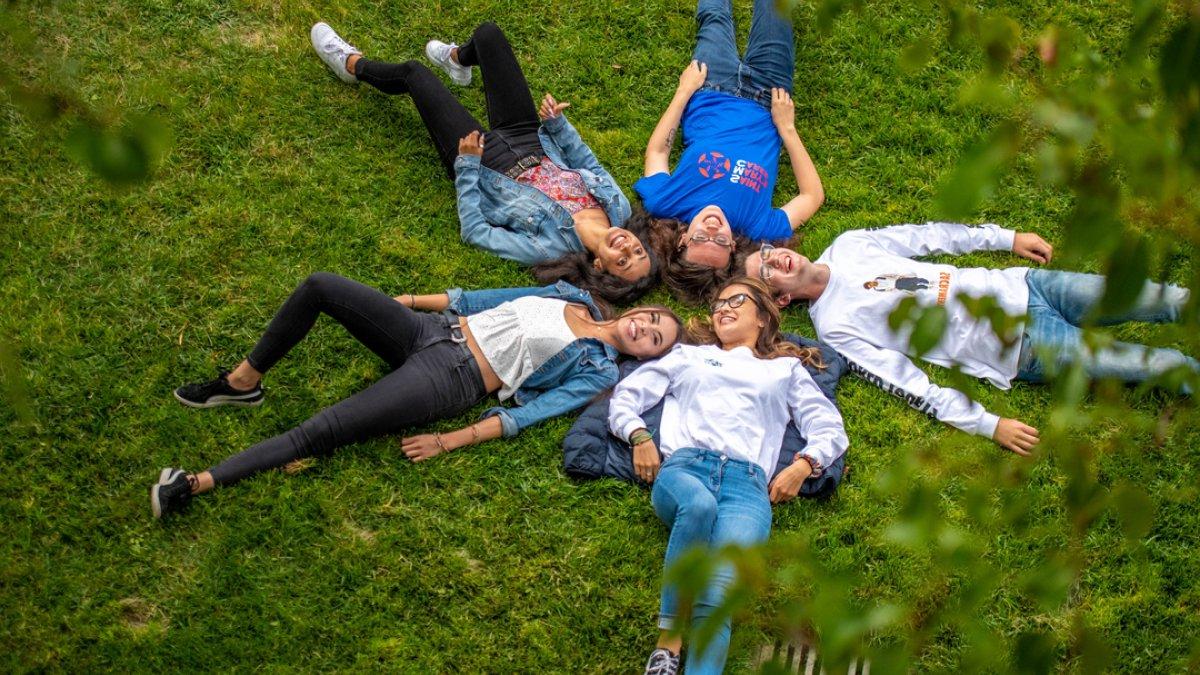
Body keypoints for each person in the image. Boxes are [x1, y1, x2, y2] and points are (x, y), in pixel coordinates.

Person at [151, 273, 681, 518]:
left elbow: (532, 413)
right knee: (322, 287)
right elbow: (475, 298)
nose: (647, 329)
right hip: (431, 330)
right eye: (652, 319)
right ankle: (243, 383)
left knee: (325, 429)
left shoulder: (596, 370)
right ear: (636, 311)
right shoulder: (571, 293)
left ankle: (195, 484)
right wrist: (398, 304)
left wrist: (450, 441)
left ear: (648, 355)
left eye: (657, 339)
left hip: (454, 379)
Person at [743, 221, 1198, 455]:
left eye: (766, 253)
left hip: (1026, 285)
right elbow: (907, 383)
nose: (773, 260)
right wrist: (987, 423)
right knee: (1154, 364)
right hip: (1022, 347)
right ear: (780, 301)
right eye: (765, 273)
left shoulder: (847, 245)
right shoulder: (835, 329)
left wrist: (1005, 237)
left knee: (1165, 297)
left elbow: (928, 237)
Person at [309, 21, 659, 304]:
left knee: (414, 74)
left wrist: (467, 166)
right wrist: (557, 124)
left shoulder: (549, 248)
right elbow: (589, 164)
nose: (626, 247)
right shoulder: (618, 206)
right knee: (489, 35)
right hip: (528, 136)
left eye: (623, 262)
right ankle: (458, 60)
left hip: (487, 163)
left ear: (600, 266)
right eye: (637, 250)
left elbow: (476, 233)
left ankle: (350, 64)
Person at [607, 278, 849, 674]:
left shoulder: (785, 370)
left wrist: (805, 464)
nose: (722, 308)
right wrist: (638, 436)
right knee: (697, 505)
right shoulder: (689, 356)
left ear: (762, 317)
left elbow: (828, 427)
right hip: (686, 468)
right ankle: (668, 644)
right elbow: (629, 395)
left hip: (747, 489)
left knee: (716, 596)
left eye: (736, 300)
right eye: (718, 303)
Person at [636, 0, 825, 300]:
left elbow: (658, 152)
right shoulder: (759, 226)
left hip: (710, 86)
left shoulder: (664, 203)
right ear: (733, 247)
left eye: (701, 238)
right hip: (769, 95)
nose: (713, 228)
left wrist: (684, 91)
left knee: (713, 15)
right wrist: (787, 128)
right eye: (721, 241)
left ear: (683, 240)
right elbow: (811, 196)